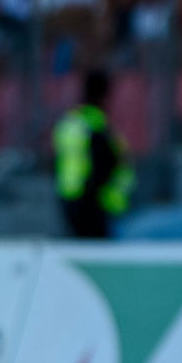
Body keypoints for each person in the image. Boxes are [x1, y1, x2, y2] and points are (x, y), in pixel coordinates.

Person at [54, 68, 133, 238]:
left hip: (68, 198)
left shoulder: (68, 122)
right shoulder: (97, 125)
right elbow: (105, 164)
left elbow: (57, 161)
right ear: (104, 93)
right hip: (92, 203)